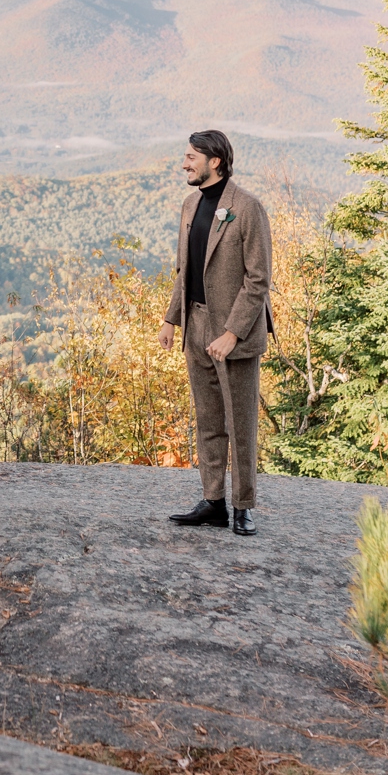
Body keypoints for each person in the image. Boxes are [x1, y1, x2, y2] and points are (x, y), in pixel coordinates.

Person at [157, 130, 273, 536]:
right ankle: (213, 502)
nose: (185, 163)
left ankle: (243, 506)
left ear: (215, 162)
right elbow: (183, 270)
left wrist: (232, 334)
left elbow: (258, 281)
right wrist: (172, 318)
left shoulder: (248, 208)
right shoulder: (190, 205)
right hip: (195, 324)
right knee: (207, 420)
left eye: (191, 157)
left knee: (240, 423)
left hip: (233, 334)